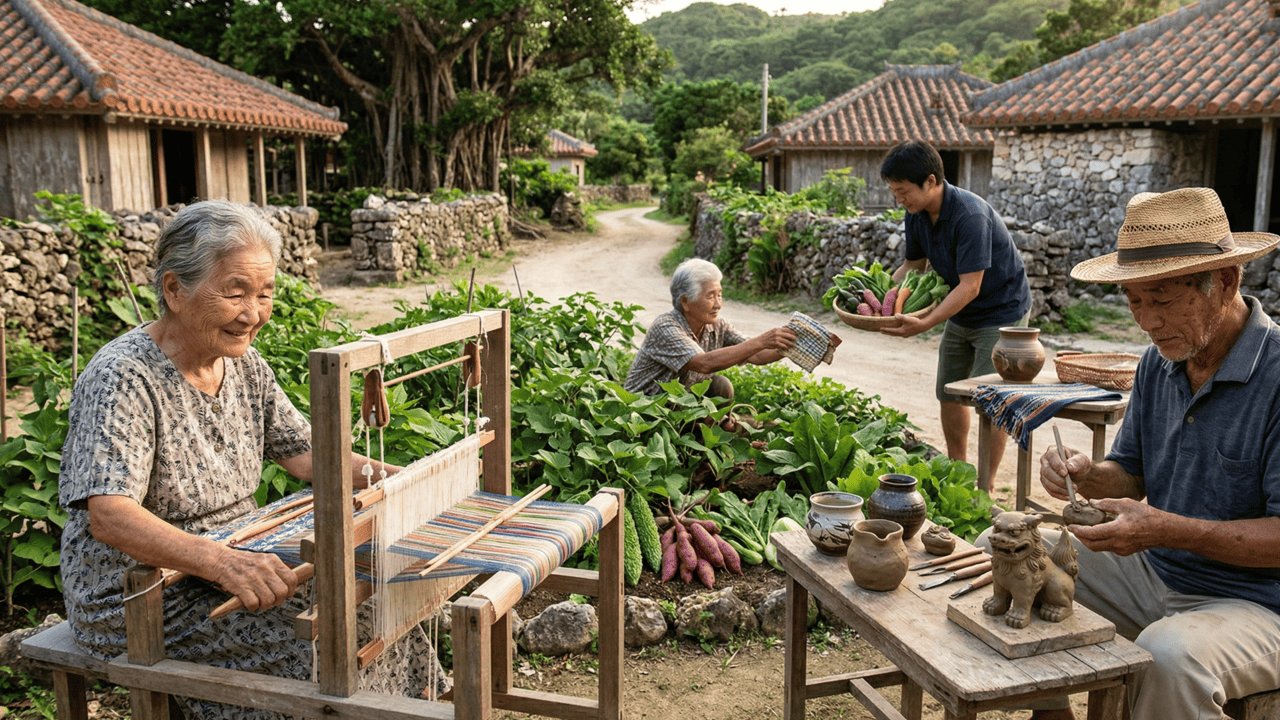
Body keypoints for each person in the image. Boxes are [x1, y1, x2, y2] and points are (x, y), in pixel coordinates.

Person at [59, 201, 446, 720]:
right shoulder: (123, 377)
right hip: (141, 591)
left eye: (264, 294)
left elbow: (308, 456)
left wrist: (413, 484)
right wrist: (221, 562)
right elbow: (109, 513)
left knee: (370, 603)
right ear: (174, 290)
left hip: (234, 554)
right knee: (316, 641)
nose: (253, 313)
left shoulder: (243, 364)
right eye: (235, 292)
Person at [1027, 187, 1280, 720]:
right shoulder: (1158, 363)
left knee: (1168, 656)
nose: (1146, 321)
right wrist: (1090, 474)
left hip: (1258, 604)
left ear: (1226, 282)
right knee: (1007, 551)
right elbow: (1132, 476)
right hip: (1157, 573)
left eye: (1161, 299)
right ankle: (1052, 713)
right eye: (1134, 300)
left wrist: (1164, 528)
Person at [878, 140, 1031, 489]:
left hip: (1000, 310)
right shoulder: (915, 214)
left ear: (930, 181)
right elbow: (913, 266)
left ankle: (985, 486)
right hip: (962, 311)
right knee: (949, 391)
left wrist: (926, 323)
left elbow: (970, 286)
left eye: (902, 191)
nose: (899, 199)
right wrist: (883, 296)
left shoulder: (969, 215)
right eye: (894, 192)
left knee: (989, 401)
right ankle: (958, 474)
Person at [623, 258, 802, 399]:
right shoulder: (665, 327)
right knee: (717, 385)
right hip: (644, 410)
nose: (718, 304)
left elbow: (757, 354)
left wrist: (796, 341)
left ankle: (707, 431)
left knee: (720, 386)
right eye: (711, 296)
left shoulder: (717, 325)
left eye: (720, 295)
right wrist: (762, 340)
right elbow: (704, 363)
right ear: (685, 301)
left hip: (679, 405)